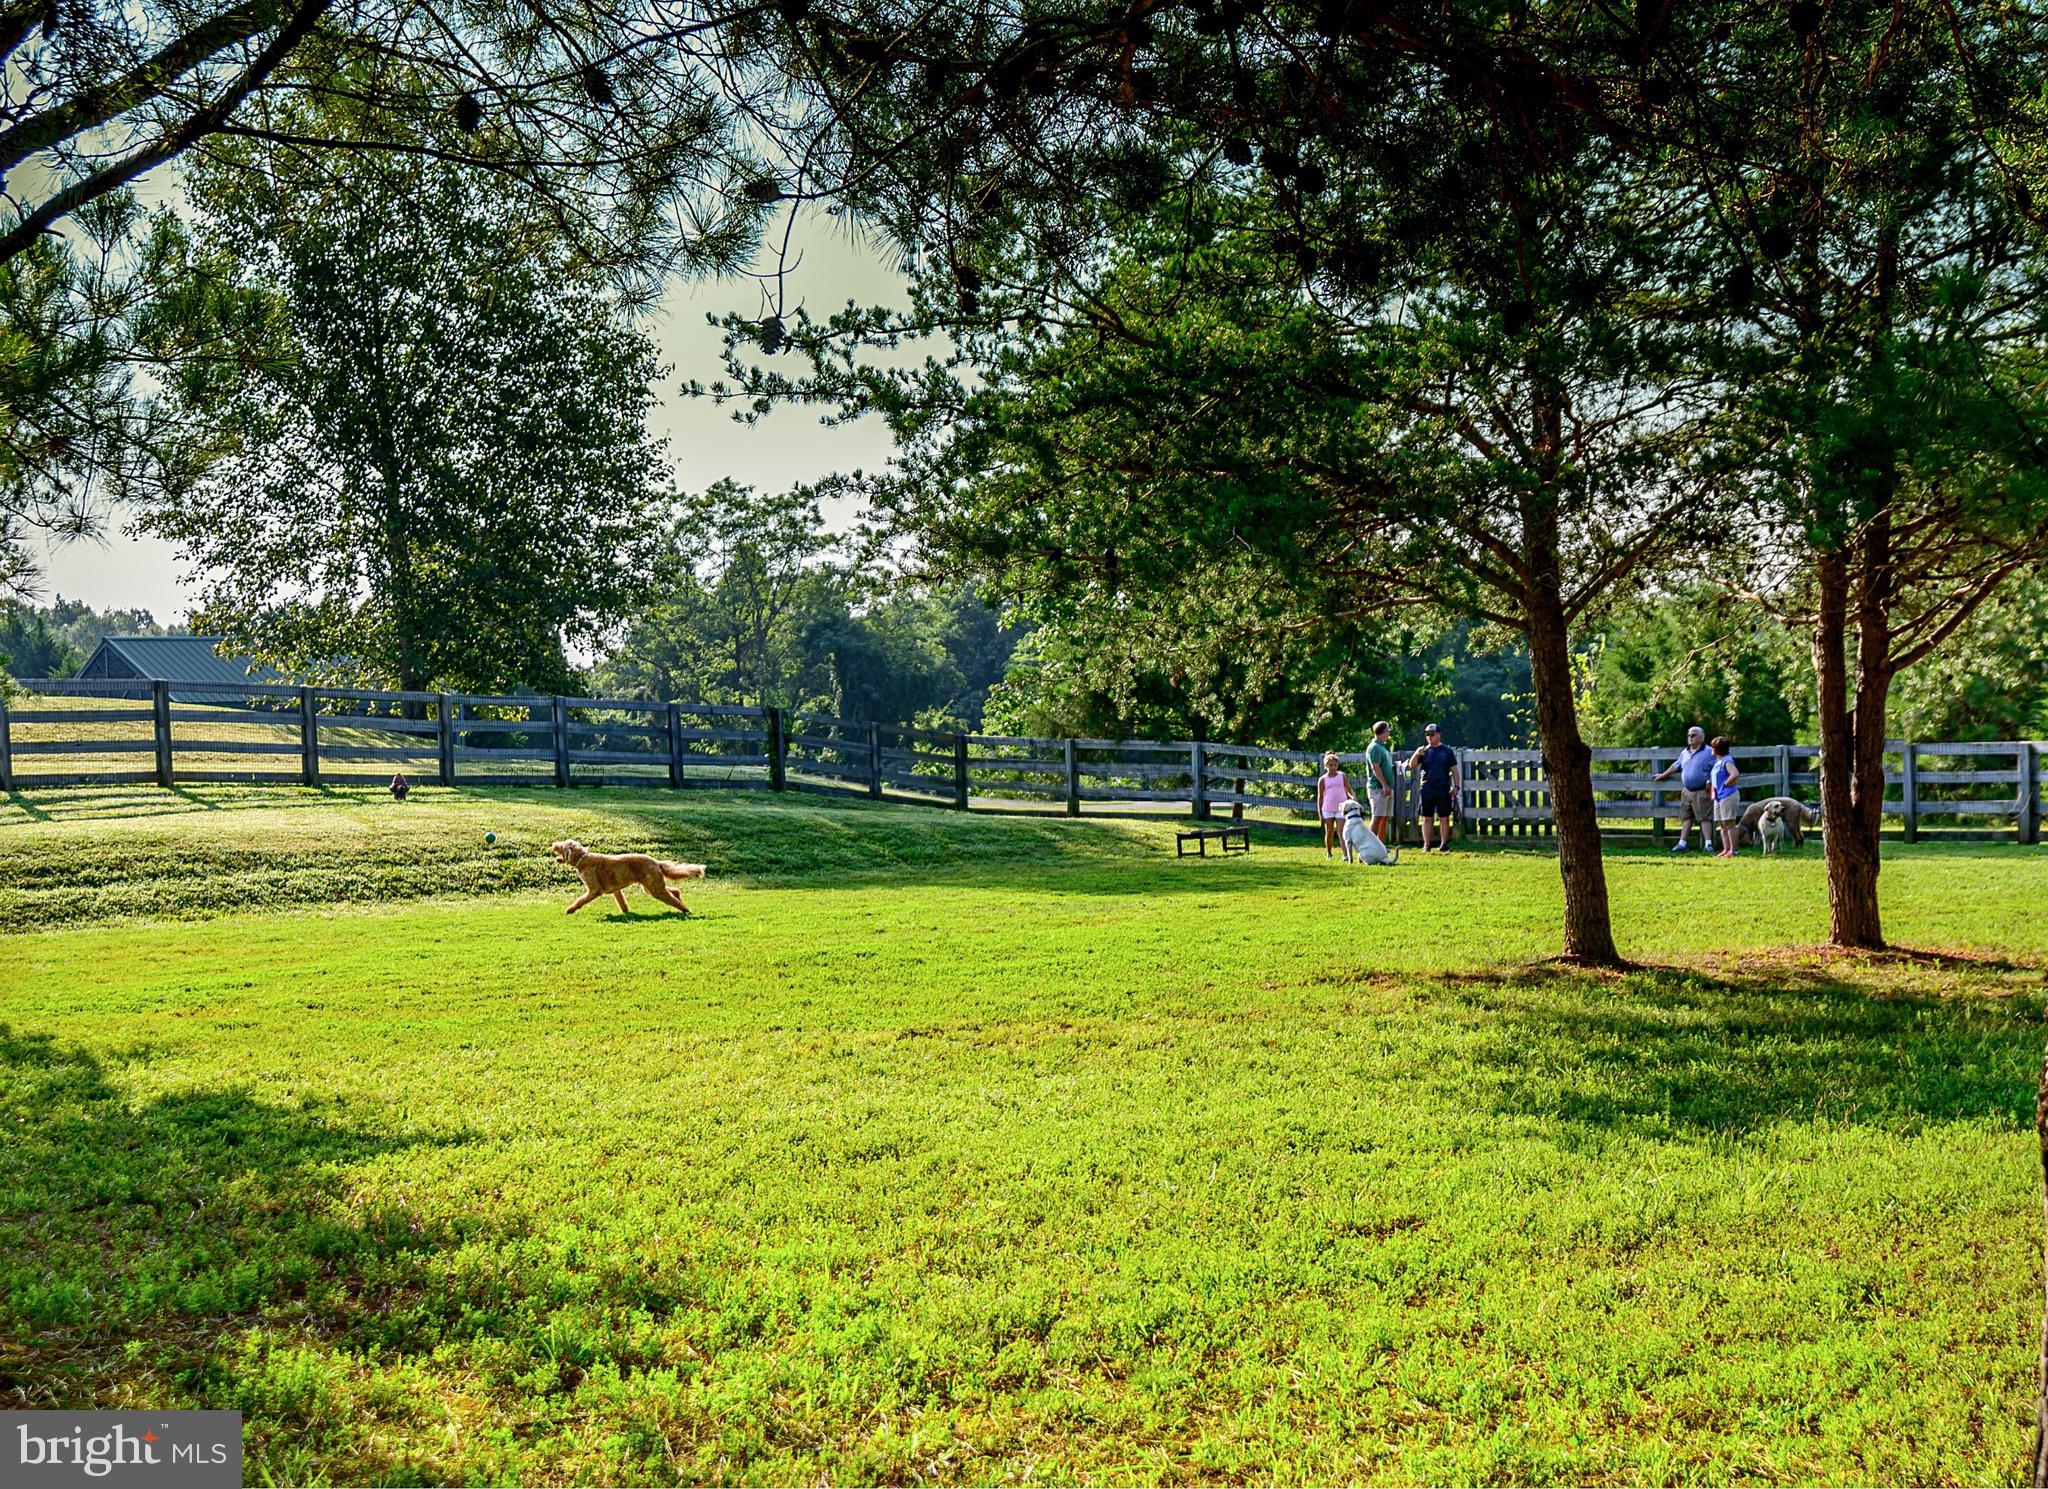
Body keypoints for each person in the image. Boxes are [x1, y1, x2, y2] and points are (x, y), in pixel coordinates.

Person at [1651, 724, 1716, 854]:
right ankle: (1682, 844)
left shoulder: (1709, 752)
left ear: (1701, 738)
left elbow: (1717, 767)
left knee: (1705, 817)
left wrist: (1710, 781)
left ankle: (1708, 844)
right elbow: (1676, 765)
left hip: (1702, 791)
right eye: (1688, 735)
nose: (1690, 737)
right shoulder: (1685, 752)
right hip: (1687, 791)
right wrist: (1662, 775)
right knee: (1686, 817)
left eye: (1693, 735)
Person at [1406, 723, 1460, 851]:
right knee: (1427, 817)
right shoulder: (1423, 751)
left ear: (1439, 734)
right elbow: (1411, 765)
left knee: (1444, 817)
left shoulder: (1447, 751)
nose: (1429, 737)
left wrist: (1456, 786)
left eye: (1432, 734)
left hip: (1442, 787)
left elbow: (1454, 770)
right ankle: (1426, 845)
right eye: (1427, 734)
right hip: (1427, 788)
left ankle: (1444, 844)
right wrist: (1416, 754)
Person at [1364, 721, 1397, 845]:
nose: (1389, 733)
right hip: (1378, 788)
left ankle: (1380, 845)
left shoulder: (1382, 747)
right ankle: (1368, 845)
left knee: (1384, 817)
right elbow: (1375, 768)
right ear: (1382, 732)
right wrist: (1384, 785)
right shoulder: (1374, 747)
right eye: (1388, 731)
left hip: (1386, 788)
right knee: (1377, 816)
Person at [1710, 735, 1742, 857]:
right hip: (1718, 796)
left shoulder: (1727, 760)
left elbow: (1734, 774)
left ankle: (1734, 850)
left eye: (1713, 747)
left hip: (1728, 795)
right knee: (1722, 824)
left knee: (1729, 823)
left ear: (1717, 749)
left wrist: (1726, 783)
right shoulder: (1718, 761)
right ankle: (1726, 849)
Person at [1316, 751, 1350, 859]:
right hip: (1328, 808)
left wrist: (1352, 797)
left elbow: (1348, 789)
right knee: (1329, 831)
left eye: (1335, 765)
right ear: (1326, 766)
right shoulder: (1322, 780)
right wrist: (1320, 813)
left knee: (1341, 831)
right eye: (1331, 765)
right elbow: (1320, 797)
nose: (1333, 767)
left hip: (1341, 808)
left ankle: (1345, 854)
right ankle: (1329, 853)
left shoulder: (1342, 776)